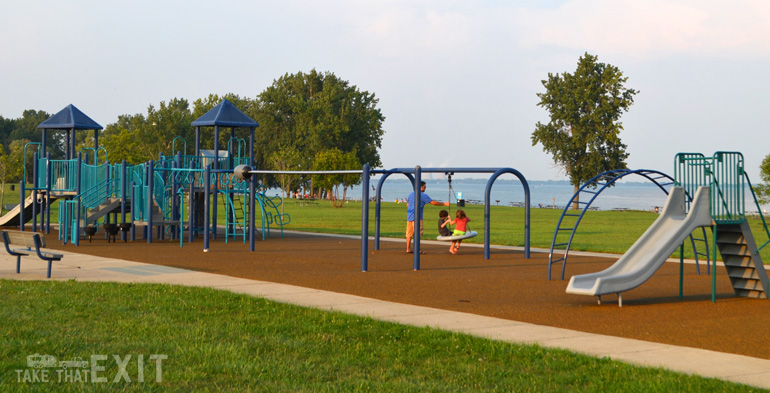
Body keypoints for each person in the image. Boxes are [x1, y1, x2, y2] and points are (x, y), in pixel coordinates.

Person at [406, 181, 449, 253]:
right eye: (424, 187)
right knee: (418, 234)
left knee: (409, 234)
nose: (425, 188)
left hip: (409, 217)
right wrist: (444, 204)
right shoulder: (422, 195)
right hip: (417, 217)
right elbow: (433, 202)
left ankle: (408, 248)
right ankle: (417, 249)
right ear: (421, 187)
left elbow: (407, 205)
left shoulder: (411, 194)